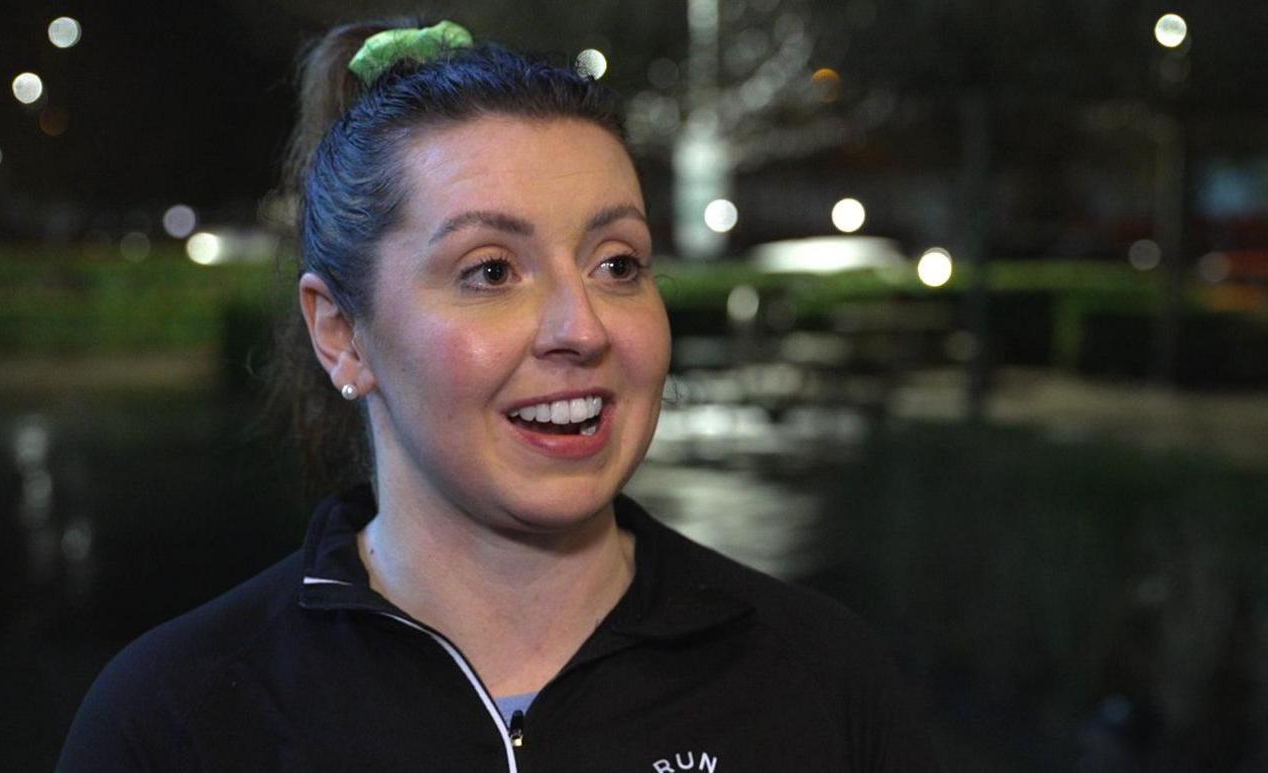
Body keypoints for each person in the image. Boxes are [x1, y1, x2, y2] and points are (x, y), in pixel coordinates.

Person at [57, 18, 938, 772]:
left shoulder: (821, 680)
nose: (581, 327)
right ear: (342, 332)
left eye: (617, 263)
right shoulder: (175, 718)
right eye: (489, 270)